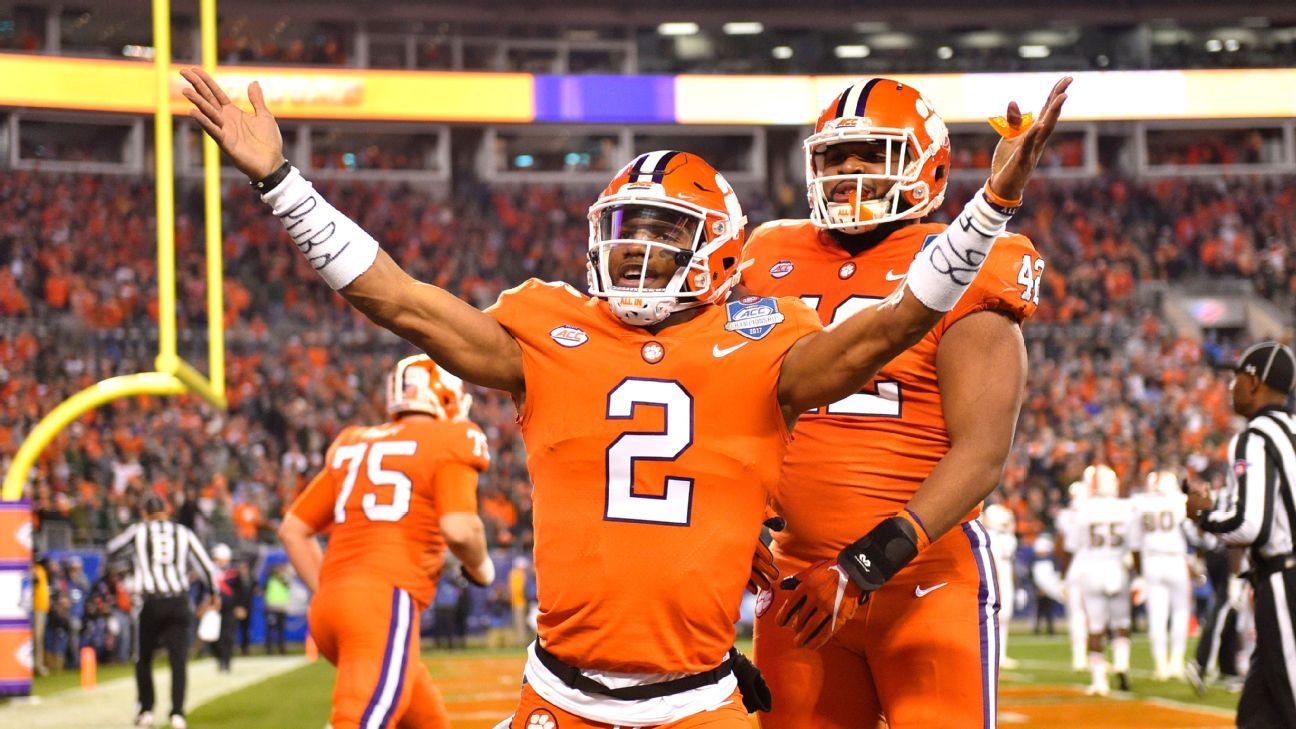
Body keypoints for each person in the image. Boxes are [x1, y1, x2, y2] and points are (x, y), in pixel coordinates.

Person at [182, 66, 1069, 729]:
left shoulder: (763, 342)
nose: (641, 254)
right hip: (581, 677)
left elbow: (894, 324)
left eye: (667, 235)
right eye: (626, 232)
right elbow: (402, 299)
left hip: (744, 670)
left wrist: (990, 205)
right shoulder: (555, 326)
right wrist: (281, 184)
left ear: (721, 256)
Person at [738, 77, 1055, 728]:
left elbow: (982, 454)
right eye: (835, 157)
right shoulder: (767, 254)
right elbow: (731, 407)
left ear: (926, 165)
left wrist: (862, 566)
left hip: (925, 579)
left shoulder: (975, 258)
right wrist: (736, 519)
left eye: (872, 155)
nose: (850, 171)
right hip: (799, 585)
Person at [278, 355, 493, 728]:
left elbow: (292, 530)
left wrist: (333, 590)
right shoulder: (451, 438)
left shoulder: (352, 442)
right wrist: (482, 568)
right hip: (382, 601)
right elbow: (460, 530)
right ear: (444, 396)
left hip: (331, 607)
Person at [1188, 341, 1296, 728]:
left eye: (1235, 379)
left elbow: (1252, 524)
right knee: (1257, 715)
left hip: (1285, 579)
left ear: (1253, 382)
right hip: (1281, 576)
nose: (1230, 388)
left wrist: (1205, 515)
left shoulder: (1255, 436)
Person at [105, 494, 220, 729]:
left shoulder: (139, 531)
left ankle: (146, 710)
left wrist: (131, 561)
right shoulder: (183, 533)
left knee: (143, 659)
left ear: (145, 513)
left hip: (150, 603)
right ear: (166, 512)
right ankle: (177, 713)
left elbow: (111, 550)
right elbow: (206, 566)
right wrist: (213, 594)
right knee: (178, 661)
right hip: (178, 601)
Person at [1060, 464, 1140, 696]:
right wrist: (1140, 576)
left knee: (1095, 627)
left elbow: (1070, 547)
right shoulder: (1127, 508)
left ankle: (1099, 681)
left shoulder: (1081, 510)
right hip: (1117, 568)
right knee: (1122, 623)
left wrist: (1064, 577)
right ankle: (1122, 664)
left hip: (1091, 569)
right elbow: (1134, 548)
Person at [1135, 470, 1193, 681]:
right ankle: (1176, 661)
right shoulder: (1179, 502)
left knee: (1157, 616)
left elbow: (1134, 540)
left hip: (1151, 560)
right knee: (1180, 612)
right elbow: (1192, 530)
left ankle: (1160, 665)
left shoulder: (1140, 504)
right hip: (1175, 559)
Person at [982, 503, 1020, 669]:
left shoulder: (1008, 538)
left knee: (1005, 616)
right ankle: (991, 652)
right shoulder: (988, 536)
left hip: (1004, 577)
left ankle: (1001, 654)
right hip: (992, 577)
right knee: (992, 616)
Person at [262, 563, 290, 655]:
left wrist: (280, 575)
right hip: (271, 608)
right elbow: (263, 588)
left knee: (281, 630)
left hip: (282, 608)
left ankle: (282, 649)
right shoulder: (270, 579)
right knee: (270, 630)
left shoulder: (283, 579)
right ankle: (269, 649)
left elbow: (286, 584)